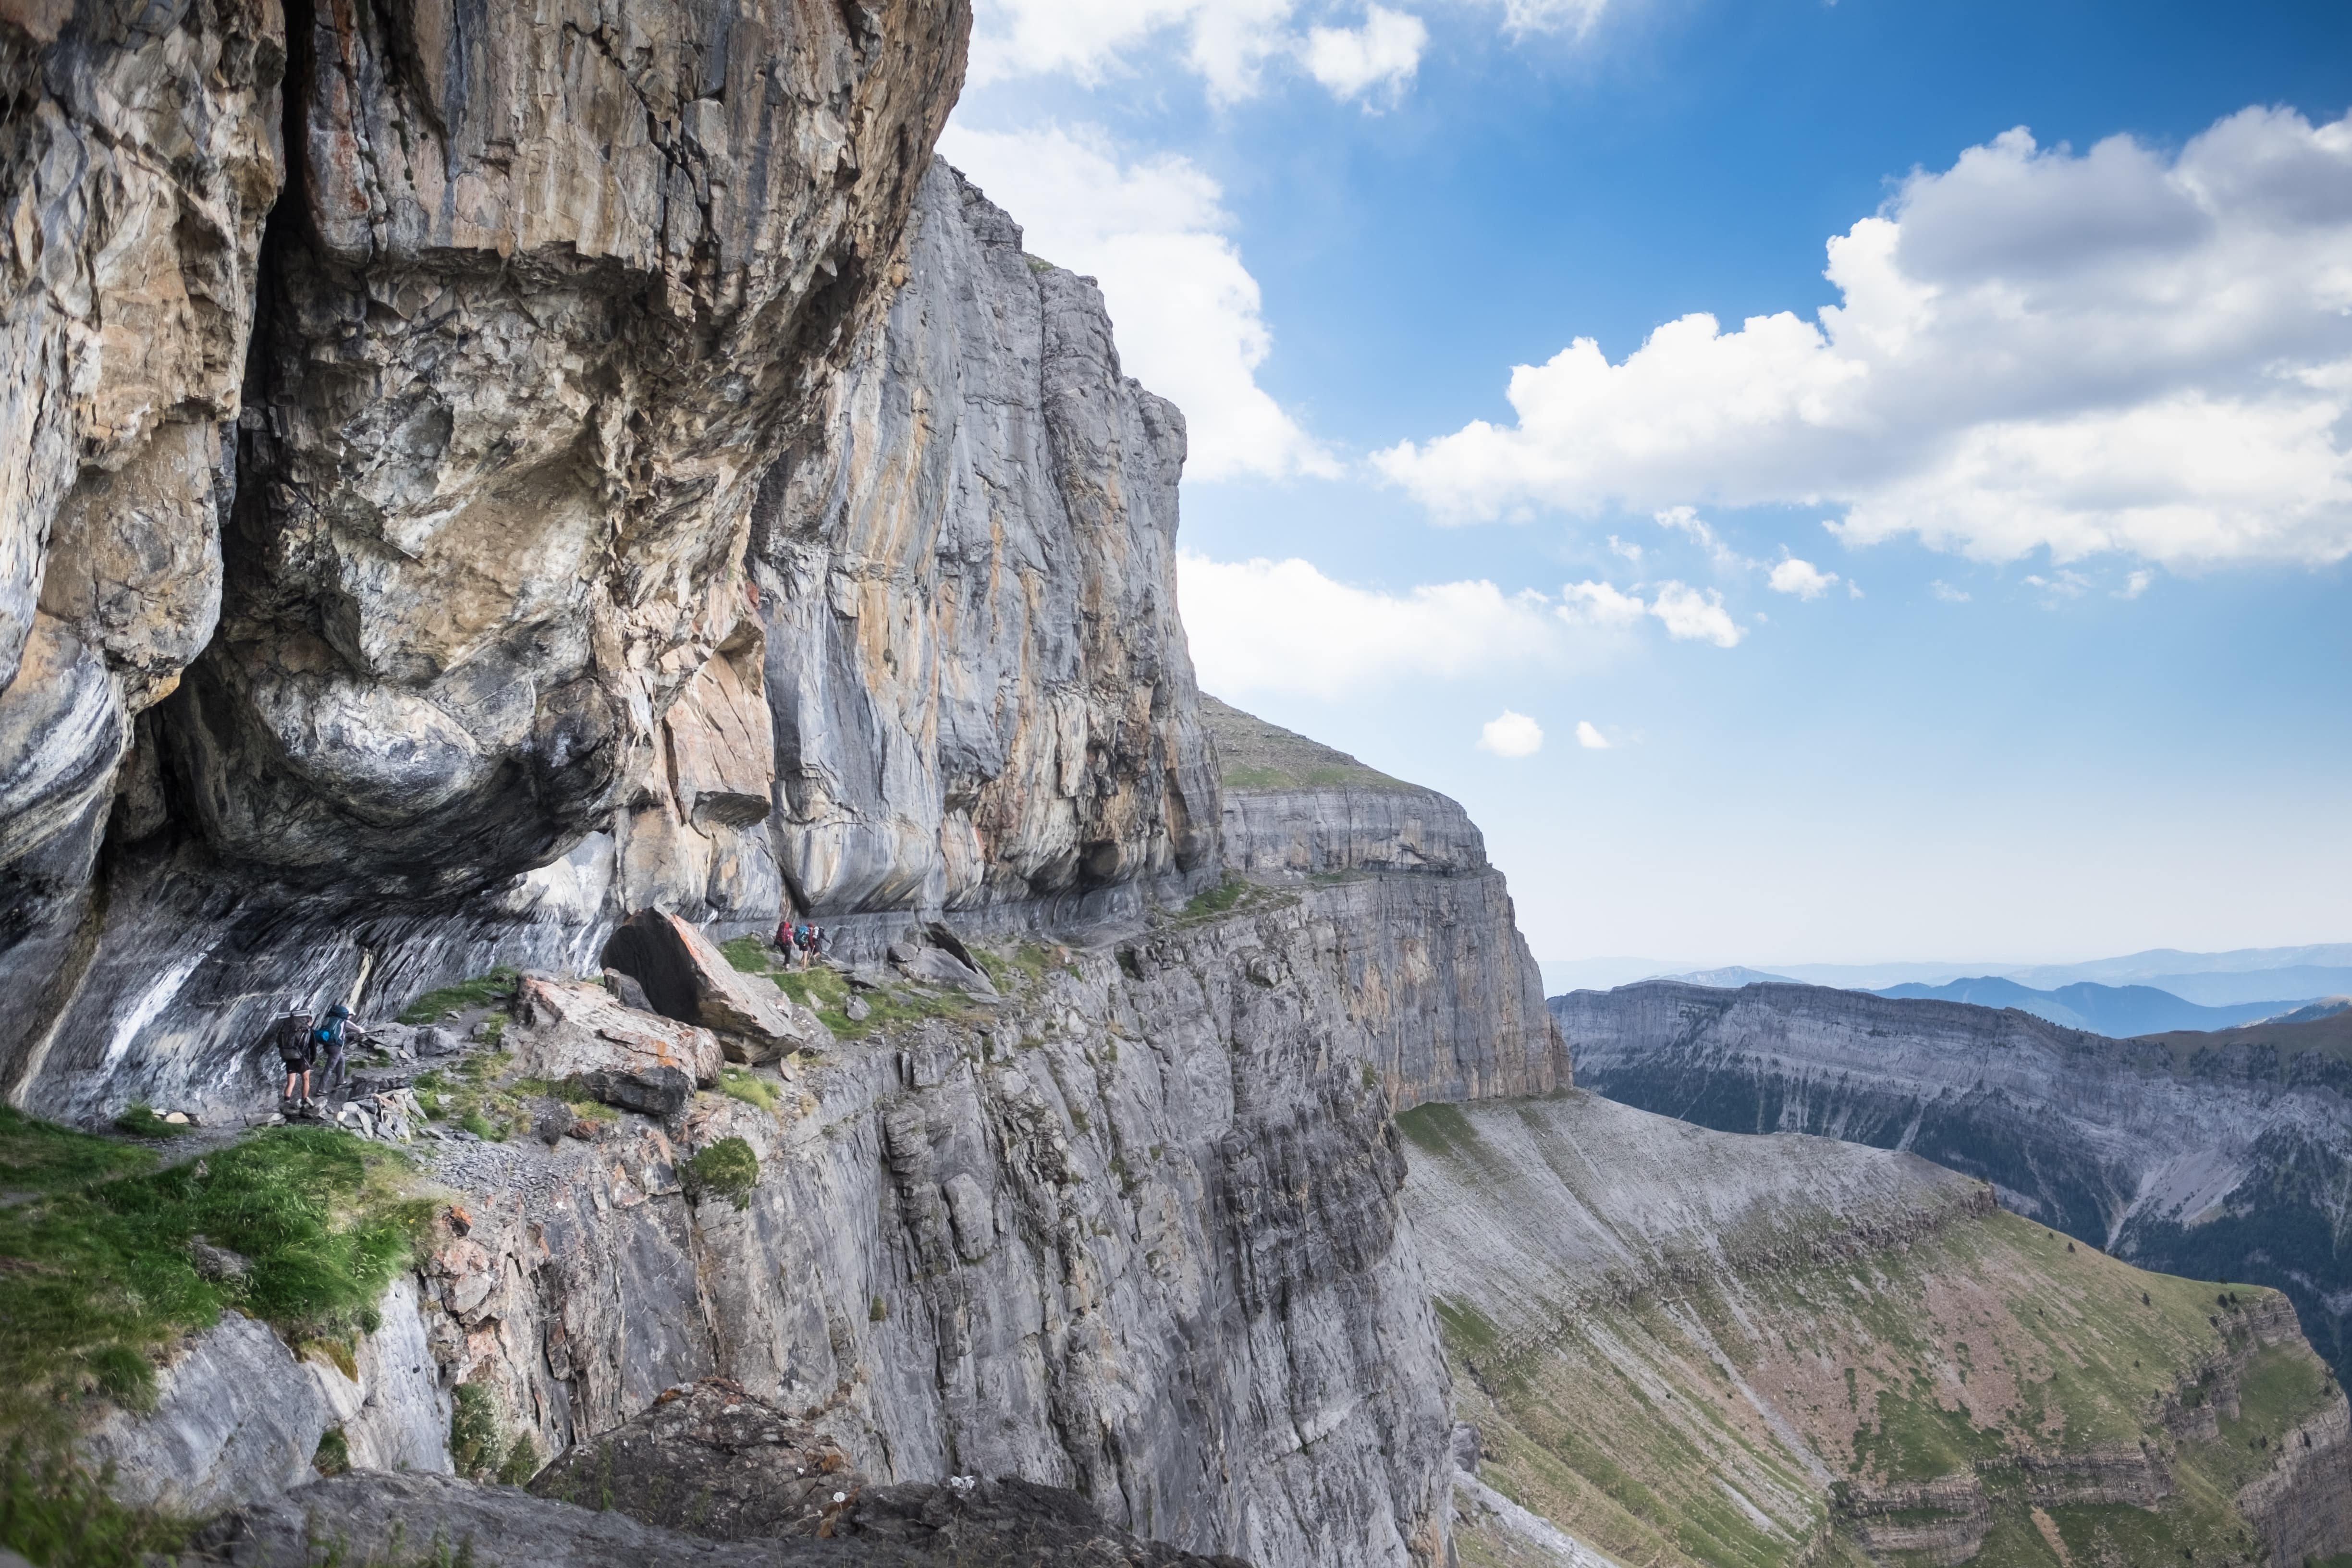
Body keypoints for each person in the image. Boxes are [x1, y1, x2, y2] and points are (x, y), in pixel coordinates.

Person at [275, 1010, 317, 1106]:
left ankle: (287, 1101)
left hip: (289, 1058)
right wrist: (312, 1060)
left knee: (291, 1083)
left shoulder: (288, 1031)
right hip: (302, 1059)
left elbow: (278, 1042)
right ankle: (304, 1100)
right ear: (309, 1021)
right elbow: (313, 1047)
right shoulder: (308, 1031)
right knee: (306, 1080)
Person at [315, 1002, 354, 1097]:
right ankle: (320, 1089)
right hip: (335, 1047)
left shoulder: (331, 1019)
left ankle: (340, 1081)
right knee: (329, 1068)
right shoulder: (343, 1022)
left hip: (327, 1045)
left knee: (342, 1060)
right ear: (349, 1015)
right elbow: (358, 1030)